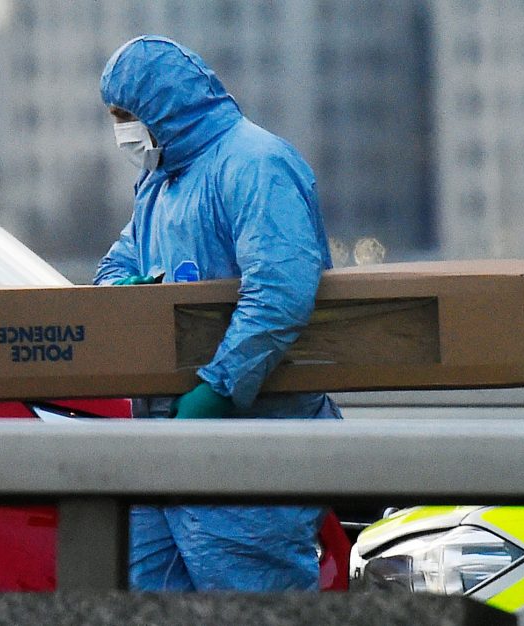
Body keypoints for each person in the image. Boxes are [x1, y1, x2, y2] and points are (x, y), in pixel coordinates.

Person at [93, 36, 343, 592]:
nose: (122, 133)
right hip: (164, 446)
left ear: (162, 106)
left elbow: (280, 290)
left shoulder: (256, 165)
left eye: (125, 116)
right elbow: (112, 272)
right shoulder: (161, 184)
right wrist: (128, 291)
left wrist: (221, 388)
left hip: (254, 447)